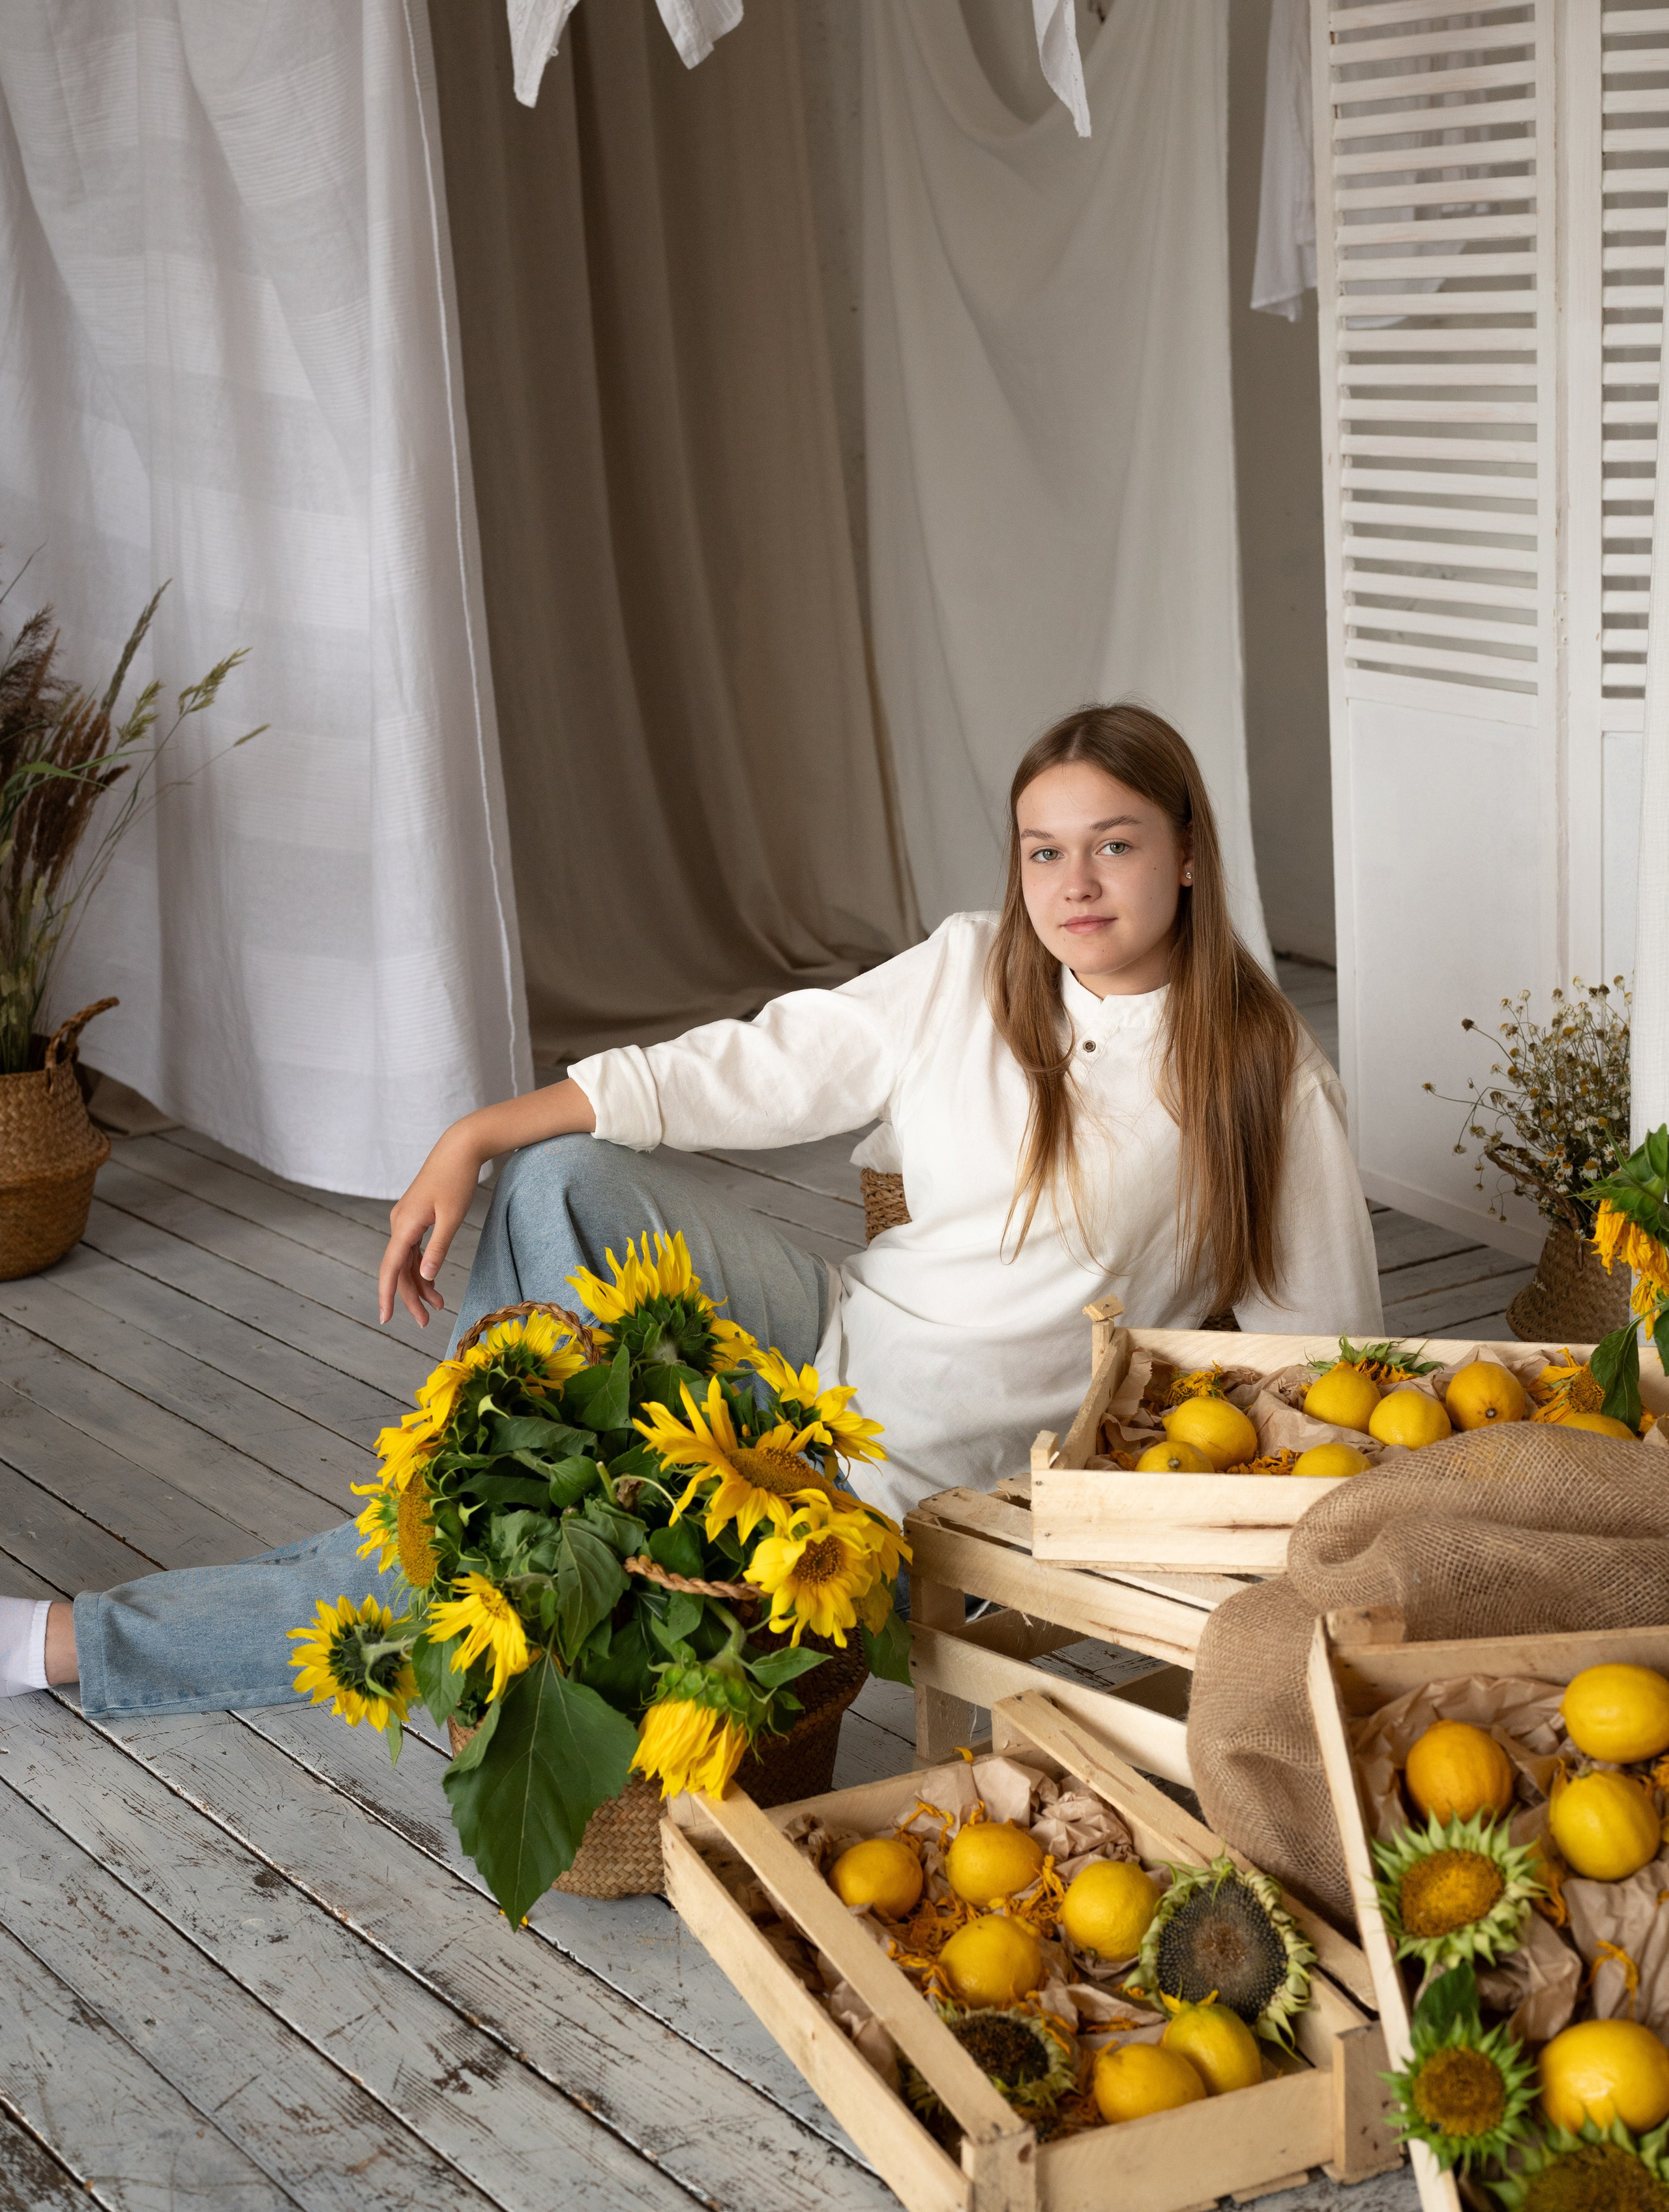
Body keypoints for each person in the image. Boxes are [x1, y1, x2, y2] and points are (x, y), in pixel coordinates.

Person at [3, 702, 1381, 1711]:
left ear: (1188, 853)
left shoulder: (1259, 1071)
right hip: (820, 1329)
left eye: (1112, 846)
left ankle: (76, 1642)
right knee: (558, 1179)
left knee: (470, 1545)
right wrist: (475, 1131)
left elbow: (1313, 1362)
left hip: (909, 1477)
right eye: (1040, 852)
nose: (1071, 887)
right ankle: (462, 1506)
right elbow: (755, 1065)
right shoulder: (970, 967)